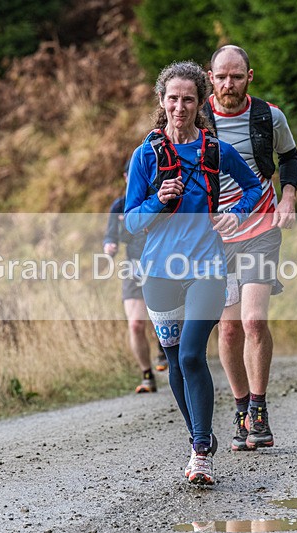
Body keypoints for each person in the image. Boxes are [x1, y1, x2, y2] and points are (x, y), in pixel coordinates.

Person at [125, 61, 260, 485]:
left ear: (202, 102)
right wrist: (157, 202)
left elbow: (254, 187)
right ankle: (198, 434)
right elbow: (130, 221)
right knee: (175, 362)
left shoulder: (214, 150)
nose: (179, 107)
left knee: (190, 354)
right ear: (161, 103)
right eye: (172, 99)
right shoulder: (145, 155)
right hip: (159, 273)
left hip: (206, 267)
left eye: (188, 99)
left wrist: (235, 214)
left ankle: (200, 452)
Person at [204, 45, 297, 452]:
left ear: (250, 76)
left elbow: (289, 156)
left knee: (254, 321)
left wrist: (288, 197)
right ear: (210, 78)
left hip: (261, 227)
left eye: (237, 76)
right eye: (222, 76)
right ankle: (241, 408)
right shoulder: (197, 117)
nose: (229, 84)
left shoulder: (268, 115)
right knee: (227, 330)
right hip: (213, 238)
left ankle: (259, 410)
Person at [103, 160, 168, 394]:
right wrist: (108, 247)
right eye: (133, 175)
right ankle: (146, 374)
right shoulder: (119, 206)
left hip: (162, 266)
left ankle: (165, 349)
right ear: (125, 177)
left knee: (162, 321)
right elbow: (110, 236)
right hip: (132, 268)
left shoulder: (158, 199)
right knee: (136, 324)